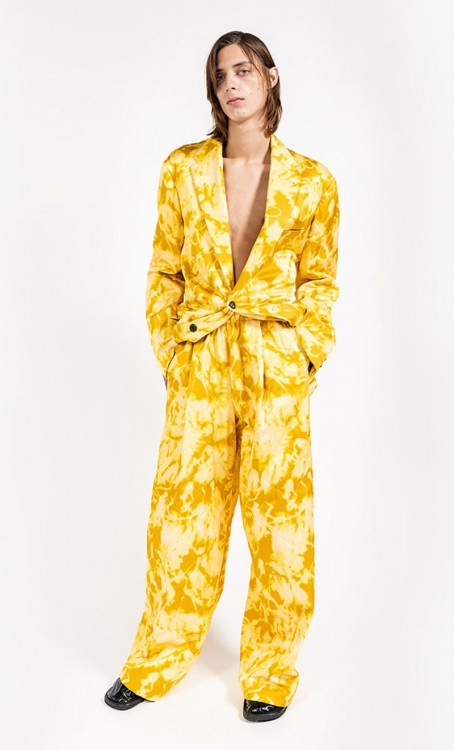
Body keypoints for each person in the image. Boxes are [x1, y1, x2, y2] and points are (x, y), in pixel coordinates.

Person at [104, 30, 340, 723]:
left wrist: (304, 354)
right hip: (202, 358)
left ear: (270, 75)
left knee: (282, 528)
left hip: (275, 364)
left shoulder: (313, 180)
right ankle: (158, 658)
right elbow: (164, 270)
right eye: (219, 75)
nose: (231, 84)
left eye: (242, 70)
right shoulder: (182, 169)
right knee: (182, 520)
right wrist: (173, 353)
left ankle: (270, 669)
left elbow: (320, 280)